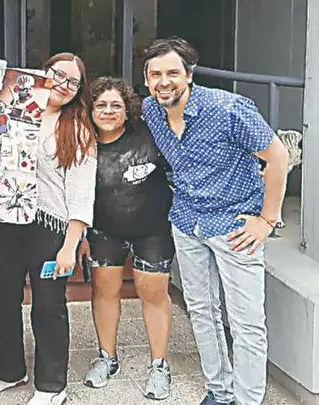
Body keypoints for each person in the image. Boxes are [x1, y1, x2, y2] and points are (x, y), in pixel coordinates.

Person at [141, 37, 289, 405]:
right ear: (146, 79)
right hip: (187, 221)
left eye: (173, 73)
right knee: (202, 312)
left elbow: (278, 157)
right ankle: (220, 392)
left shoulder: (228, 109)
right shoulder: (151, 110)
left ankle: (248, 399)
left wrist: (267, 219)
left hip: (235, 227)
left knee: (246, 323)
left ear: (189, 75)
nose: (164, 82)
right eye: (155, 74)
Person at [0, 53, 98, 405]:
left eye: (72, 82)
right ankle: (9, 369)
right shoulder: (7, 104)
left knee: (48, 305)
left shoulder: (77, 129)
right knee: (1, 298)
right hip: (5, 219)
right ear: (42, 73)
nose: (63, 85)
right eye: (58, 74)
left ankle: (51, 384)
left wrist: (70, 246)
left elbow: (81, 193)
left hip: (50, 226)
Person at [75, 77, 175, 400]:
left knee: (153, 292)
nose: (108, 111)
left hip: (152, 228)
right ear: (90, 109)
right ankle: (107, 357)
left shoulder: (148, 133)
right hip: (103, 229)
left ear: (127, 108)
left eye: (115, 105)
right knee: (104, 290)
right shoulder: (81, 143)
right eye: (101, 105)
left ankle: (159, 365)